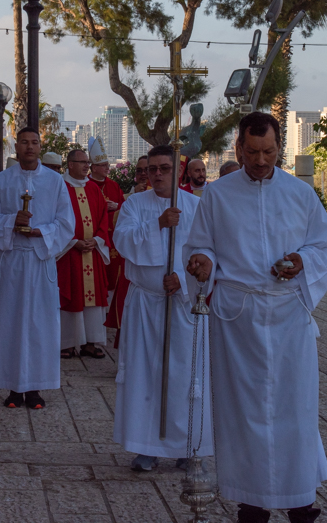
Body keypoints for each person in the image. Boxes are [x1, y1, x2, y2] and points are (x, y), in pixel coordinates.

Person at [185, 112, 327, 523]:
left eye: (268, 151)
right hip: (238, 320)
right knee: (243, 412)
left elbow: (324, 244)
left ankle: (300, 499)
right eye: (252, 152)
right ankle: (249, 500)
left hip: (289, 315)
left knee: (295, 408)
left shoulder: (300, 194)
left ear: (279, 148)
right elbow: (202, 246)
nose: (260, 160)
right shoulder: (217, 196)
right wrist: (202, 260)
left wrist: (301, 261)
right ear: (238, 148)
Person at [112, 144, 212, 472]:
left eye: (164, 168)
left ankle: (186, 445)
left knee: (183, 375)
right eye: (151, 169)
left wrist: (183, 281)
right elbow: (122, 242)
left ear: (177, 170)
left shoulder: (197, 207)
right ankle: (146, 445)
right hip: (145, 303)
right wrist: (157, 224)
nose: (156, 174)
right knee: (145, 376)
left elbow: (209, 255)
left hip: (182, 305)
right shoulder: (134, 205)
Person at [0, 127, 75, 409]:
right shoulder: (2, 181)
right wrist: (13, 221)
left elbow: (66, 223)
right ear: (16, 146)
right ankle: (12, 387)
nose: (30, 147)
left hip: (39, 260)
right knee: (9, 323)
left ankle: (35, 387)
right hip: (12, 262)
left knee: (40, 325)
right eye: (24, 142)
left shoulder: (55, 182)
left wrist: (39, 231)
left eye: (35, 142)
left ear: (39, 146)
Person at [57, 149, 111, 359]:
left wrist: (96, 240)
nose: (87, 166)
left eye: (88, 163)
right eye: (82, 163)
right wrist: (73, 242)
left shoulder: (93, 189)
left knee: (93, 300)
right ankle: (67, 343)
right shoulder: (60, 188)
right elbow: (55, 219)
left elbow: (102, 219)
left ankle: (90, 342)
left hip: (92, 251)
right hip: (69, 253)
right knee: (72, 297)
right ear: (70, 164)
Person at [87, 137, 125, 305]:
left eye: (107, 165)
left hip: (113, 238)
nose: (107, 169)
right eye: (103, 165)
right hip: (97, 237)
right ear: (93, 167)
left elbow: (124, 207)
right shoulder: (85, 185)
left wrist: (116, 206)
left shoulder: (114, 185)